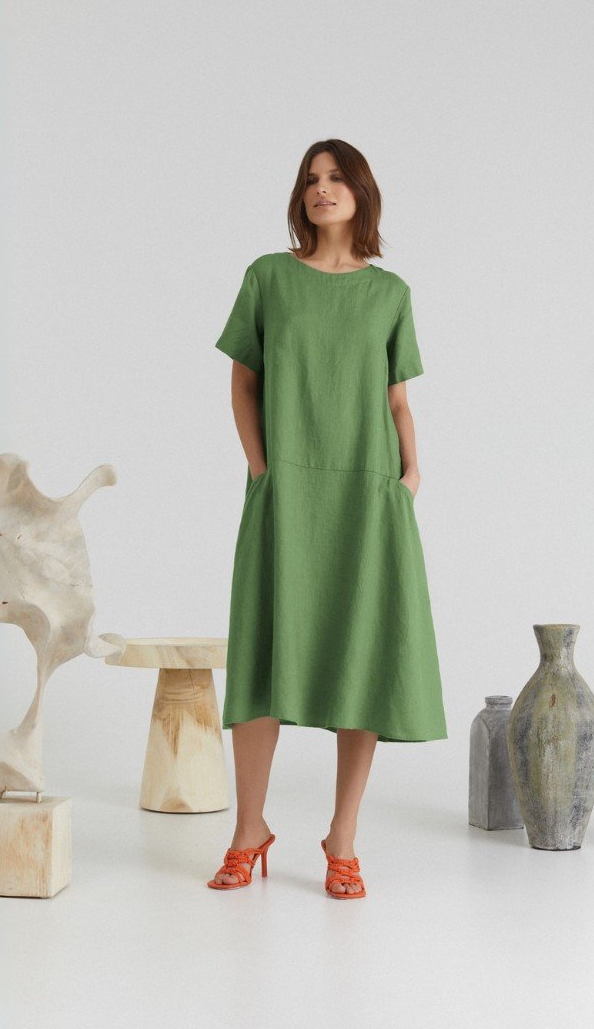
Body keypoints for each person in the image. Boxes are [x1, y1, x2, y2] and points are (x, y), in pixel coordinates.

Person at [208, 139, 447, 899]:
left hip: (367, 492)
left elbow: (396, 399)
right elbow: (243, 383)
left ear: (361, 192)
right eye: (310, 180)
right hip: (287, 493)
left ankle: (342, 837)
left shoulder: (390, 293)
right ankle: (250, 829)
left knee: (359, 650)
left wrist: (410, 474)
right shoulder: (269, 279)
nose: (321, 189)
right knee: (264, 655)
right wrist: (261, 467)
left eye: (336, 177)